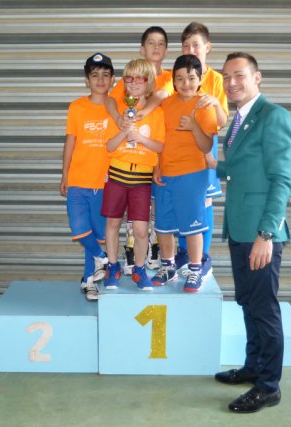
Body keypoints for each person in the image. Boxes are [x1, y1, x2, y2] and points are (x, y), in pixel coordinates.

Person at [213, 52, 291, 413]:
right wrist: (213, 165)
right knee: (248, 303)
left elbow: (281, 180)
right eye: (226, 77)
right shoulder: (238, 120)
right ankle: (253, 367)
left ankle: (268, 386)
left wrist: (266, 234)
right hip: (240, 229)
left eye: (239, 75)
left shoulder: (273, 116)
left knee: (263, 308)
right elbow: (239, 170)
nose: (231, 83)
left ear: (257, 77)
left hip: (260, 234)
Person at [106, 26, 174, 275]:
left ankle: (155, 253)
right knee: (129, 217)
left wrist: (144, 111)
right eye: (151, 43)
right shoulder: (130, 79)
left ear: (166, 50)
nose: (156, 47)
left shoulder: (171, 77)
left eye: (161, 43)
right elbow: (111, 99)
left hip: (157, 159)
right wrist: (119, 120)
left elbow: (162, 94)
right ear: (142, 48)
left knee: (154, 212)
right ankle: (130, 254)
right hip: (126, 164)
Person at [152, 54, 216, 292]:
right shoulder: (165, 105)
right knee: (163, 225)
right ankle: (168, 266)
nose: (185, 83)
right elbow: (159, 139)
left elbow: (207, 146)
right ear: (173, 81)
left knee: (193, 225)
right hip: (165, 175)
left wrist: (193, 126)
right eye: (180, 79)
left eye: (191, 78)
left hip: (192, 174)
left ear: (200, 80)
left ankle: (195, 269)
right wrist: (157, 167)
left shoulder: (204, 105)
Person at [102, 58, 165, 291]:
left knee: (140, 230)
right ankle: (112, 267)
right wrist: (123, 130)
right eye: (129, 78)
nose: (134, 82)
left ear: (149, 82)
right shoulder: (119, 110)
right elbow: (109, 146)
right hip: (117, 176)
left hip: (141, 181)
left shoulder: (156, 113)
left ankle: (139, 270)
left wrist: (141, 138)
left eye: (141, 78)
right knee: (112, 223)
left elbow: (160, 146)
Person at [174, 22, 228, 274]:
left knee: (203, 200)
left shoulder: (216, 79)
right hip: (178, 149)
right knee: (182, 200)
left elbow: (221, 120)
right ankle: (185, 252)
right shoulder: (177, 76)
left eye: (196, 45)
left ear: (207, 47)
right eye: (186, 45)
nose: (191, 50)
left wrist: (214, 103)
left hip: (205, 146)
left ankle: (203, 256)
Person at [61, 53, 115, 301]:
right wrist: (65, 173)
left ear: (112, 79)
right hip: (78, 181)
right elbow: (70, 142)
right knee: (79, 228)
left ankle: (88, 281)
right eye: (95, 75)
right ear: (87, 80)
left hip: (105, 184)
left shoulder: (116, 108)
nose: (100, 80)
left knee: (95, 233)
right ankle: (103, 258)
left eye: (105, 75)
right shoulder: (77, 107)